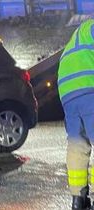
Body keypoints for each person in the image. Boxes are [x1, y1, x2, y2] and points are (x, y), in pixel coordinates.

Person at [58, 17, 94, 210]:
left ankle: (78, 200)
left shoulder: (78, 36)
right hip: (89, 87)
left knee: (77, 145)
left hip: (68, 92)